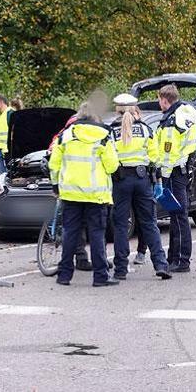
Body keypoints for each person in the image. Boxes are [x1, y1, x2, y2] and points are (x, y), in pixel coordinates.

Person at [49, 101, 120, 287]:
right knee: (97, 235)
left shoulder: (65, 136)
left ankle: (64, 276)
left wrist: (56, 185)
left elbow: (54, 164)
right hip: (96, 195)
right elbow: (112, 165)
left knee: (70, 233)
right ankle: (100, 277)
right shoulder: (104, 136)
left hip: (71, 194)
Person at [109, 93, 171, 280]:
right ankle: (161, 265)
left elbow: (109, 160)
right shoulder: (145, 130)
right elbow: (155, 157)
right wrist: (157, 180)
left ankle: (120, 269)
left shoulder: (111, 132)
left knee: (120, 226)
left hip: (120, 181)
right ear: (135, 109)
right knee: (149, 223)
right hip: (142, 179)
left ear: (117, 110)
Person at [154, 85, 196, 273]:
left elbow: (169, 152)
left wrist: (162, 173)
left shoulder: (173, 120)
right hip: (179, 171)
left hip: (173, 172)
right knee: (176, 216)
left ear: (164, 99)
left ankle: (181, 260)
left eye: (159, 100)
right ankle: (175, 257)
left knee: (179, 216)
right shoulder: (182, 115)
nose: (158, 103)